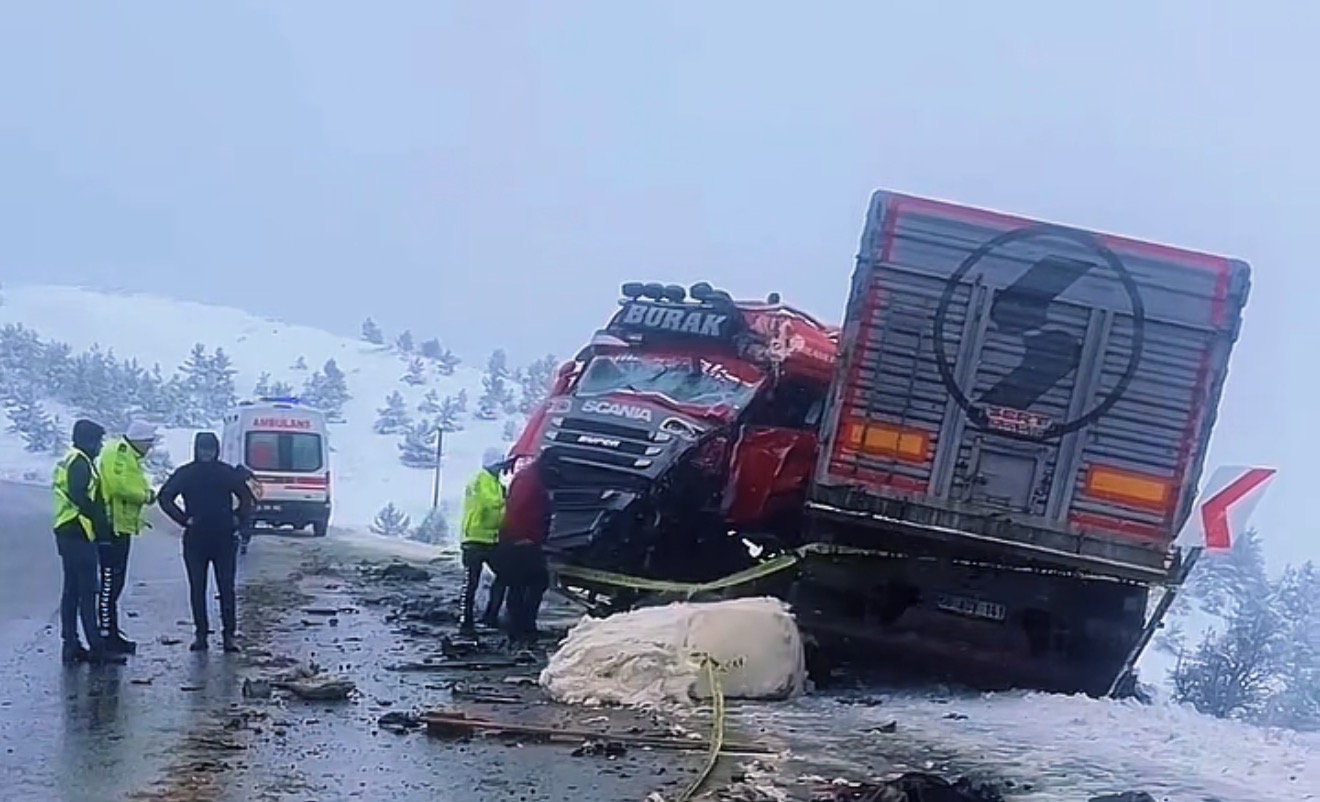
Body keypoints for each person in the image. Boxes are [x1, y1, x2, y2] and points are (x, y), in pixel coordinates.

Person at [157, 432, 255, 653]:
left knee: (226, 588)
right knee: (197, 588)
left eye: (210, 450)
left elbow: (248, 496)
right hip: (196, 539)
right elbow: (164, 497)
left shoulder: (226, 472)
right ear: (196, 450)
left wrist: (239, 518)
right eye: (203, 449)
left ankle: (229, 636)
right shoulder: (187, 473)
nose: (206, 454)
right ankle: (201, 635)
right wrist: (183, 519)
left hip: (224, 538)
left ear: (216, 450)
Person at [52, 419, 126, 665]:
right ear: (87, 441)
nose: (100, 446)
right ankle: (97, 648)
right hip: (78, 532)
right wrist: (101, 529)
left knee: (72, 591)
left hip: (67, 530)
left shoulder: (72, 459)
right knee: (87, 591)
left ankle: (71, 644)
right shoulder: (80, 463)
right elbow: (80, 497)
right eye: (98, 441)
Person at [95, 419, 159, 655]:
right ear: (139, 441)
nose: (150, 447)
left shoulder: (129, 455)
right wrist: (145, 496)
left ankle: (112, 631)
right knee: (110, 583)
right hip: (113, 526)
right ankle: (106, 635)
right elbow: (117, 485)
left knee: (116, 583)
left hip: (121, 527)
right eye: (149, 443)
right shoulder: (120, 452)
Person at [496, 455, 551, 648]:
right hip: (521, 542)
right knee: (532, 583)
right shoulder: (531, 480)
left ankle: (519, 628)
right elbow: (518, 510)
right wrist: (523, 537)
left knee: (521, 586)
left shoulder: (529, 478)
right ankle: (522, 629)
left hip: (517, 540)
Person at [459, 447, 509, 633]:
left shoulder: (493, 481)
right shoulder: (482, 479)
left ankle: (490, 617)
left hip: (489, 538)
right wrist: (507, 496)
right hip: (475, 539)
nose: (502, 468)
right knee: (471, 583)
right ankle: (466, 622)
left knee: (503, 575)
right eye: (500, 464)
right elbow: (492, 502)